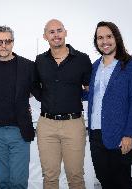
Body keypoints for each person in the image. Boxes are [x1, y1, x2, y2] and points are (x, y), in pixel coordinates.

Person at [34, 19, 92, 189]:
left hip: (73, 124)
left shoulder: (82, 59)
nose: (56, 35)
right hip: (46, 125)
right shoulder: (40, 60)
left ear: (66, 32)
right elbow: (34, 85)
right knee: (50, 176)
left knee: (75, 176)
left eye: (59, 30)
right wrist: (46, 98)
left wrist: (72, 97)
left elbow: (89, 88)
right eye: (51, 32)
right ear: (45, 36)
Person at [88, 21, 132, 189]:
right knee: (104, 180)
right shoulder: (94, 67)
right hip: (96, 134)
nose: (104, 41)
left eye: (108, 36)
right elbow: (93, 95)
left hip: (120, 135)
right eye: (100, 38)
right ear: (96, 41)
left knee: (120, 183)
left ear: (116, 38)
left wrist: (130, 134)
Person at [0, 25, 38, 189]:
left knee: (18, 182)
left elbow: (39, 90)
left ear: (13, 42)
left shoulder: (27, 66)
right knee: (1, 181)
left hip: (19, 130)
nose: (3, 45)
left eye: (7, 41)